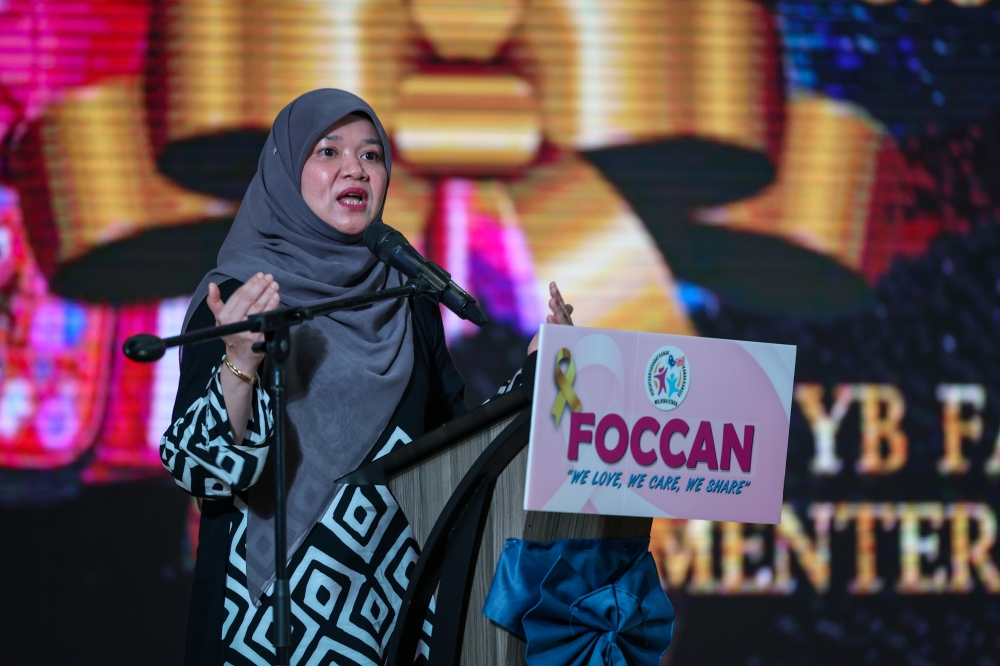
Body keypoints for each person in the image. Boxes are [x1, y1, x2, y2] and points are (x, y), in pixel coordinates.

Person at [160, 89, 573, 665]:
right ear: (285, 172)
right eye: (328, 151)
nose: (355, 168)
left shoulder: (410, 300)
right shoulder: (237, 300)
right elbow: (201, 472)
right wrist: (240, 363)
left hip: (391, 614)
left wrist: (537, 373)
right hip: (265, 625)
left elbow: (454, 453)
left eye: (371, 155)